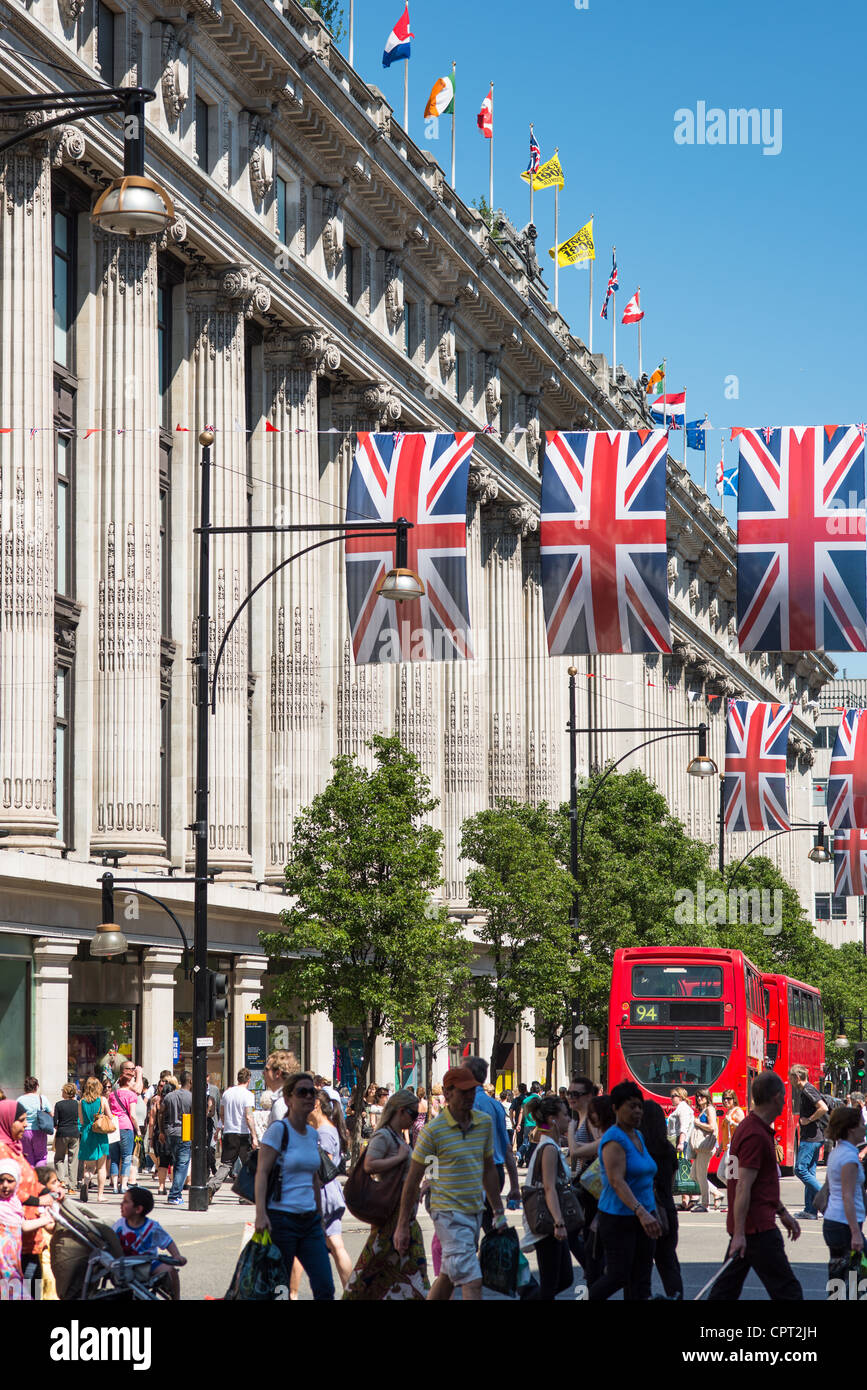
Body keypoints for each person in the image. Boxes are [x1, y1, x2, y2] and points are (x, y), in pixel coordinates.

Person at [394, 1065, 506, 1302]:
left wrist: (498, 1210)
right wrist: (402, 1224)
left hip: (475, 1209)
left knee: (448, 1275)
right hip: (447, 1213)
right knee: (472, 1280)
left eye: (472, 1091)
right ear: (447, 1093)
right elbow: (413, 1180)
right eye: (463, 1092)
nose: (469, 1097)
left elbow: (488, 1169)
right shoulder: (433, 1132)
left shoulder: (484, 1124)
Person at [707, 1070, 802, 1301]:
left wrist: (782, 1212)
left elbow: (751, 1182)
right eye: (784, 1097)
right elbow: (742, 1186)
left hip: (750, 1225)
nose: (785, 1103)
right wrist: (740, 1233)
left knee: (725, 1290)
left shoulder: (747, 1128)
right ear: (776, 1097)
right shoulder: (756, 1135)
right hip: (757, 1228)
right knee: (787, 1291)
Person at [254, 1071, 334, 1300]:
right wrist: (261, 1214)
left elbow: (314, 1179)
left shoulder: (311, 1134)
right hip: (281, 1220)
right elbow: (262, 1173)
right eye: (303, 1092)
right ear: (289, 1099)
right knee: (279, 1290)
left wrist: (320, 1217)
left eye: (313, 1092)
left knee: (325, 1286)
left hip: (309, 1221)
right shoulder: (279, 1130)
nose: (309, 1096)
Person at [344, 1088, 429, 1301]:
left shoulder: (398, 1137)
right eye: (413, 1114)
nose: (415, 1120)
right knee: (369, 1275)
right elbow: (369, 1165)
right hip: (393, 1217)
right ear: (400, 1111)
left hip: (404, 1216)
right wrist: (399, 1158)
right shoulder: (384, 1136)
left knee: (406, 1275)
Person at [588, 1080, 661, 1301]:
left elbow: (646, 1176)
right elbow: (616, 1181)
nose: (637, 1111)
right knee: (618, 1275)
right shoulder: (613, 1139)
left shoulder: (637, 1135)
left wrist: (653, 1211)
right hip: (620, 1218)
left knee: (641, 1279)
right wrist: (641, 1212)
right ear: (615, 1109)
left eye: (639, 1106)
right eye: (631, 1106)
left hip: (645, 1216)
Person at [288, 1089, 352, 1296]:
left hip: (319, 1195)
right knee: (336, 1244)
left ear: (315, 1104)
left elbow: (319, 1166)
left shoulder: (324, 1132)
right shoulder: (325, 1129)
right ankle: (352, 1291)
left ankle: (292, 1294)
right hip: (328, 1194)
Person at [519, 1094, 574, 1300]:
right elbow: (549, 1187)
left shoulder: (550, 1145)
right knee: (551, 1283)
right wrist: (559, 1222)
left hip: (552, 1220)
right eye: (565, 1115)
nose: (569, 1119)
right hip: (549, 1222)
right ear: (553, 1119)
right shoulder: (549, 1148)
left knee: (564, 1278)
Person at [0, 1101, 54, 1293]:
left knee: (32, 1288)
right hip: (12, 1240)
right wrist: (39, 1201)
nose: (26, 1125)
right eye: (21, 1121)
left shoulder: (15, 1147)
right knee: (19, 1289)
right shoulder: (2, 1151)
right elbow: (11, 1191)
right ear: (7, 1121)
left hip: (31, 1235)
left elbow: (29, 1179)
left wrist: (48, 1192)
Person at [465, 1056, 521, 1230]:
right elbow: (506, 1148)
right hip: (497, 1172)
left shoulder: (466, 1105)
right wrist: (514, 1184)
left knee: (472, 1228)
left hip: (475, 1174)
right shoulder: (495, 1105)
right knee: (492, 1225)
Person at [640, 1099, 683, 1299]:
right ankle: (676, 1295)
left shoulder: (639, 1149)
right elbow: (672, 1181)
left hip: (647, 1210)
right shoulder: (668, 1149)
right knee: (668, 1261)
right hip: (667, 1209)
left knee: (642, 1266)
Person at [114, 1185, 186, 1299]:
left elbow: (168, 1242)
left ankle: (176, 1297)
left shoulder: (152, 1227)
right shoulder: (119, 1225)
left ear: (138, 1209)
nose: (121, 1204)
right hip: (125, 1263)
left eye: (125, 1202)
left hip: (149, 1263)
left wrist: (176, 1255)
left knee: (171, 1271)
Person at [822, 1105, 865, 1293]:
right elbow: (847, 1196)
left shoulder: (838, 1152)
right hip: (844, 1224)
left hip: (835, 1221)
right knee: (857, 1275)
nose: (865, 1128)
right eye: (862, 1124)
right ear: (851, 1129)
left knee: (838, 1275)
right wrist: (855, 1233)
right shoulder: (849, 1157)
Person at [0, 1158, 54, 1298]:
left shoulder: (15, 1203)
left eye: (10, 1181)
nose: (5, 1185)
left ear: (17, 1182)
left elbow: (23, 1225)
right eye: (1, 1181)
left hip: (13, 1263)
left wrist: (46, 1219)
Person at [208, 1068, 257, 1200]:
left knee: (226, 1163)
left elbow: (222, 1113)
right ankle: (244, 1195)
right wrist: (254, 1136)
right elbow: (248, 1116)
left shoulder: (227, 1093)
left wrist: (224, 1125)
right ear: (249, 1080)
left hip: (229, 1132)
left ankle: (212, 1186)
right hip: (243, 1133)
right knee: (249, 1165)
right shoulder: (248, 1095)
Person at [789, 1065, 828, 1220]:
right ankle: (810, 1210)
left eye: (791, 1077)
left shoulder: (807, 1090)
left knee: (800, 1169)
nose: (790, 1080)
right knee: (809, 1172)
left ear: (797, 1077)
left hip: (811, 1138)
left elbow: (823, 1108)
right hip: (815, 1137)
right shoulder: (808, 1089)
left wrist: (808, 1120)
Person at [161, 1070, 192, 1206]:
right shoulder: (191, 1097)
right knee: (182, 1165)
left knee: (176, 1162)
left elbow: (161, 1113)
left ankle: (175, 1193)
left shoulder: (169, 1096)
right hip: (184, 1131)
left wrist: (162, 1130)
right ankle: (174, 1194)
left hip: (171, 1132)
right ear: (190, 1081)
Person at [78, 1075, 111, 1202]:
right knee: (101, 1167)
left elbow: (81, 1120)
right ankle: (100, 1195)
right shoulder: (102, 1100)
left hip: (87, 1134)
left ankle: (85, 1182)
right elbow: (109, 1116)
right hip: (100, 1133)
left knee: (89, 1167)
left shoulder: (81, 1102)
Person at [107, 1069, 140, 1195]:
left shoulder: (112, 1095)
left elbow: (109, 1111)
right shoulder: (132, 1095)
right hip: (126, 1127)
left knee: (114, 1158)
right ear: (128, 1082)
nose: (133, 1083)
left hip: (113, 1127)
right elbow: (132, 1115)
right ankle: (124, 1185)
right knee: (126, 1157)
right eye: (132, 1081)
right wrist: (137, 1129)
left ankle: (115, 1185)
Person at [691, 1089, 721, 1213]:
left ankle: (705, 1204)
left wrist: (698, 1123)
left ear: (707, 1097)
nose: (699, 1098)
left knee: (701, 1176)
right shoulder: (703, 1110)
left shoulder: (710, 1109)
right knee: (694, 1175)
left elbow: (712, 1126)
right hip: (701, 1147)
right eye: (697, 1096)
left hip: (706, 1147)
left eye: (702, 1096)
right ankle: (716, 1193)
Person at [669, 1087, 696, 1211]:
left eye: (673, 1095)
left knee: (683, 1170)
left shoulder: (683, 1109)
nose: (671, 1098)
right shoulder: (681, 1108)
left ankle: (694, 1197)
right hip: (680, 1142)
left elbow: (683, 1127)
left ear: (680, 1096)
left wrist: (680, 1143)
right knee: (682, 1171)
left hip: (681, 1143)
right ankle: (685, 1201)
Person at [16, 1077, 50, 1169]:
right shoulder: (42, 1099)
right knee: (41, 1157)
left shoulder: (19, 1100)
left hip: (24, 1131)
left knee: (27, 1157)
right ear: (36, 1086)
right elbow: (51, 1113)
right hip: (39, 1131)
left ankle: (30, 1179)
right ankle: (39, 1178)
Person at [52, 1083, 80, 1192]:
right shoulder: (78, 1104)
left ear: (65, 1092)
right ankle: (72, 1187)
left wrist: (59, 1127)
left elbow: (55, 1122)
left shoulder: (59, 1105)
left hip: (62, 1133)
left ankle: (61, 1180)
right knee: (73, 1160)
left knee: (59, 1158)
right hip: (74, 1133)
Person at [517, 1082, 542, 1166]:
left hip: (527, 1124)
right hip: (537, 1125)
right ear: (539, 1091)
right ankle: (531, 1160)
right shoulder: (540, 1099)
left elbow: (521, 1112)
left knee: (526, 1142)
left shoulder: (525, 1100)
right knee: (536, 1143)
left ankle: (519, 1154)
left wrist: (518, 1124)